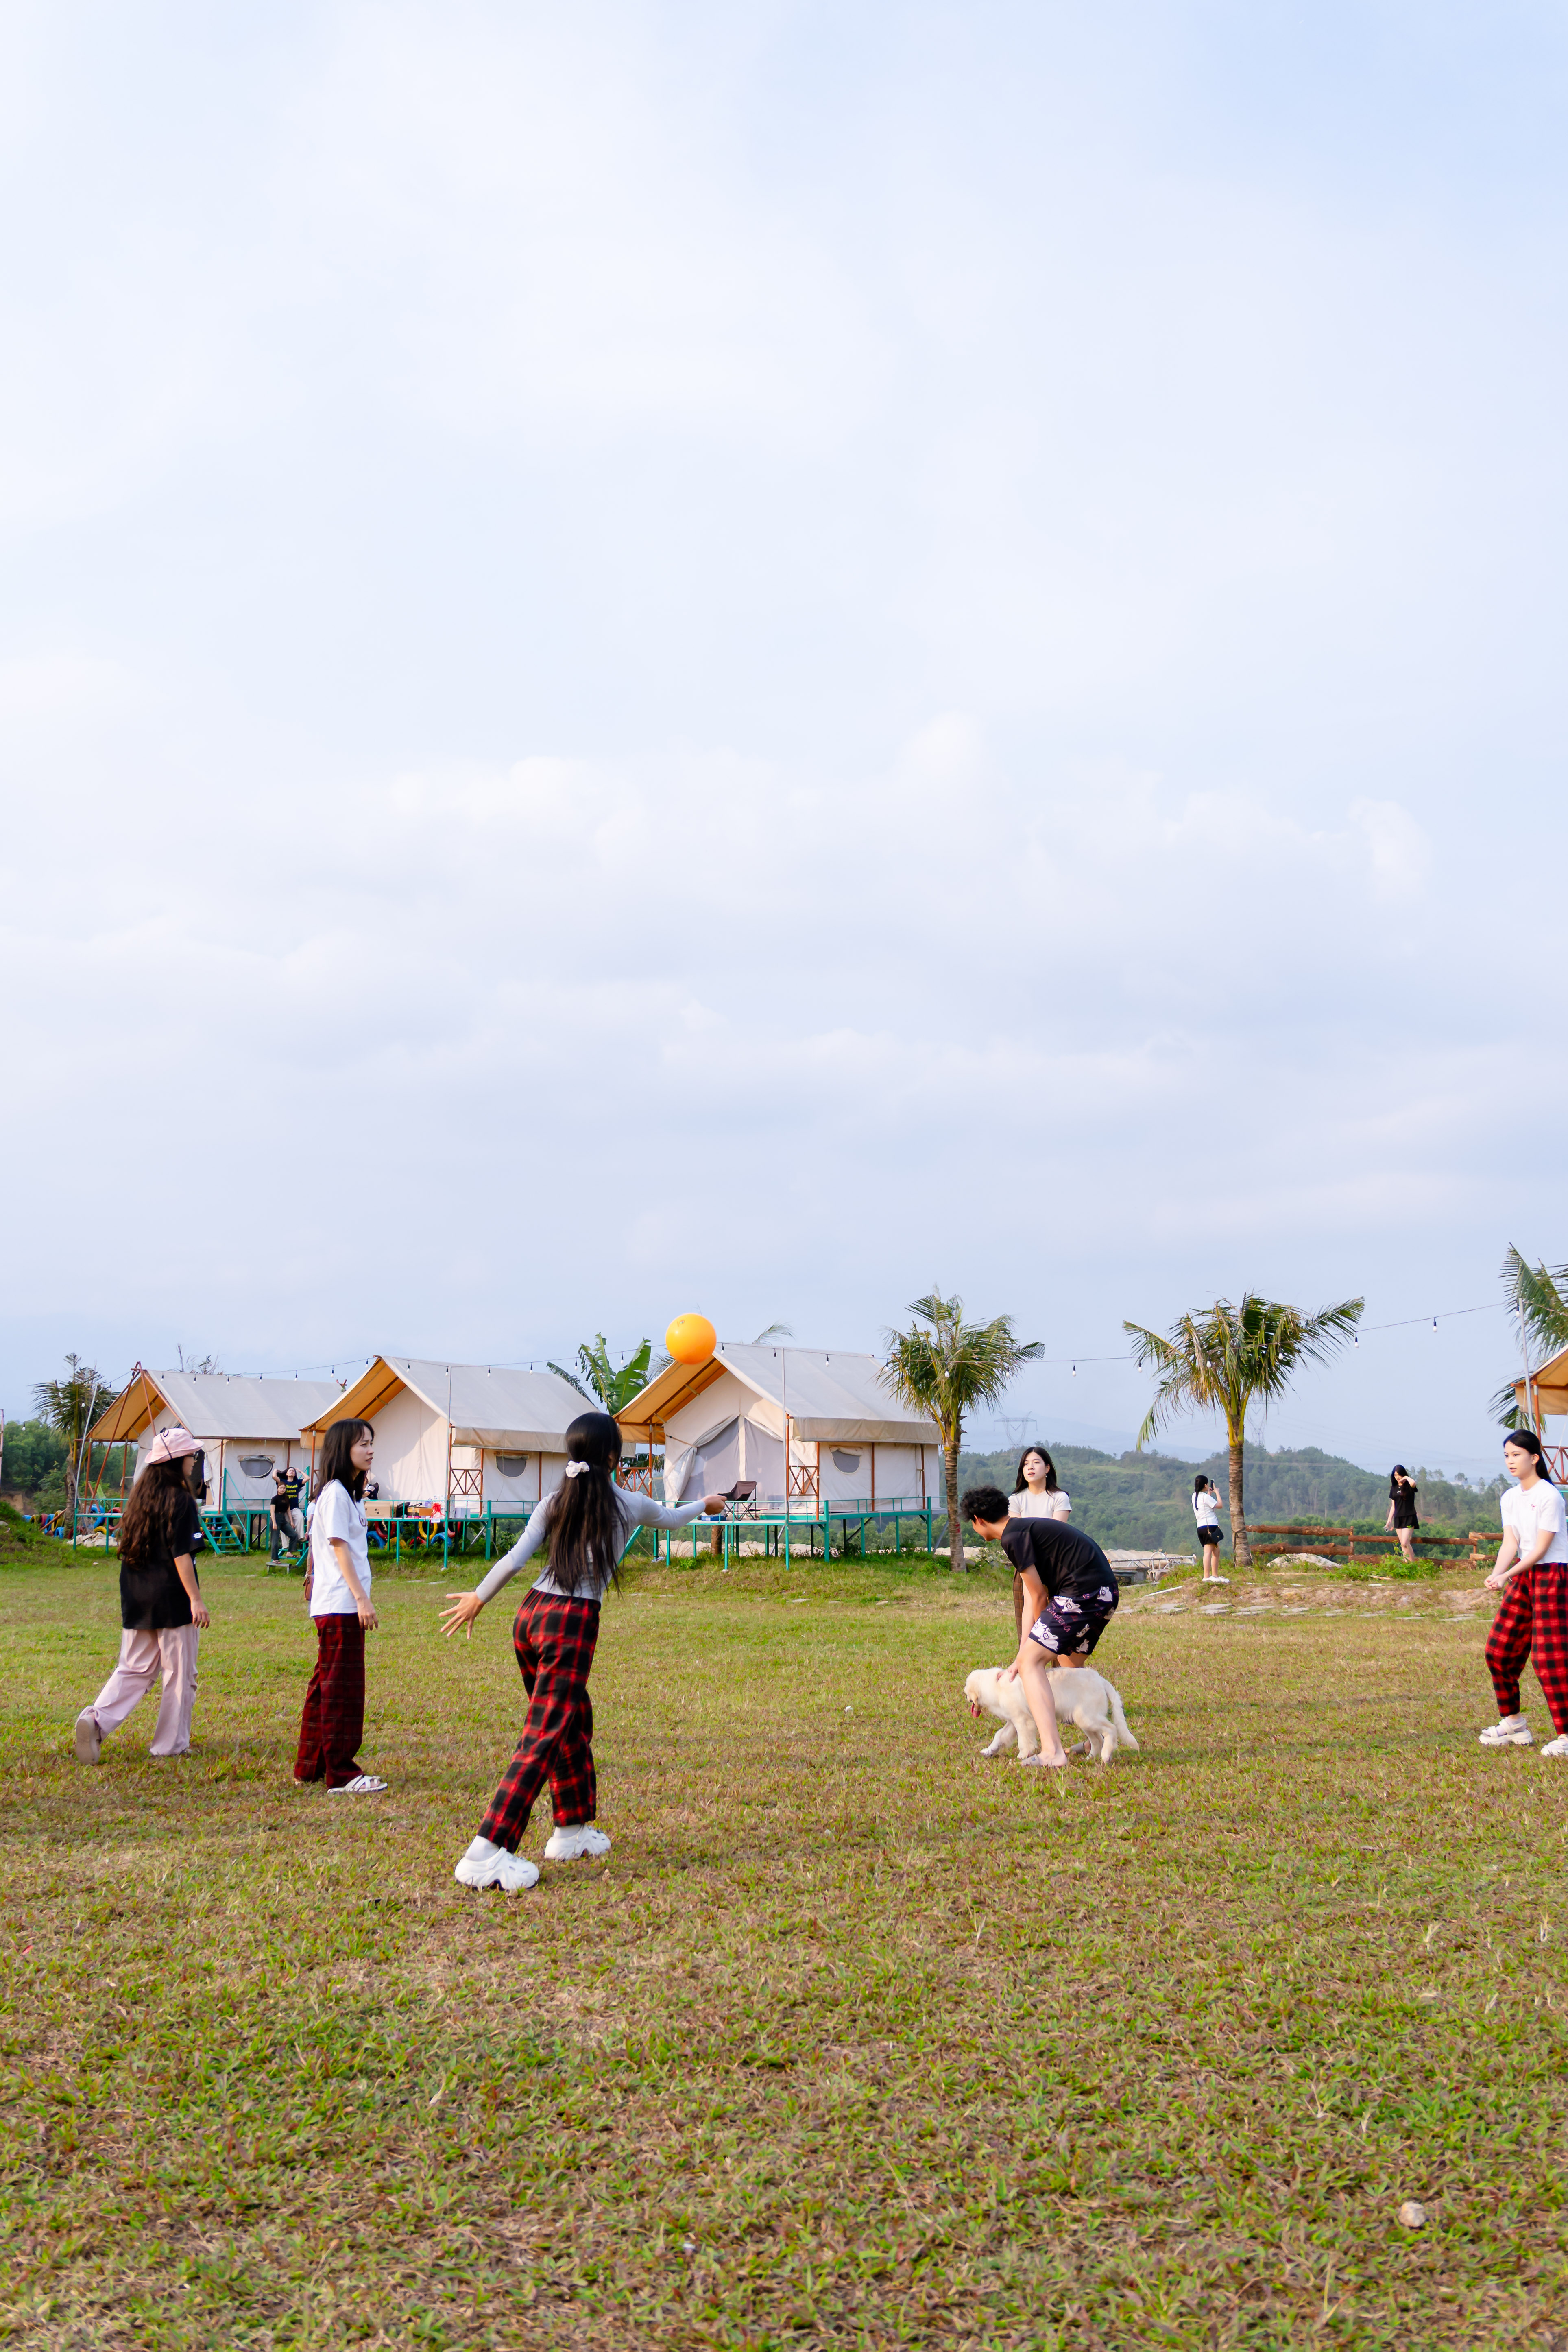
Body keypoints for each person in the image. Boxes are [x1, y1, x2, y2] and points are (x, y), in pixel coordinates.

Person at [439, 1410, 726, 1892]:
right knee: (545, 1734)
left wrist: (479, 1597)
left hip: (530, 1615)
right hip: (570, 1622)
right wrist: (707, 1503)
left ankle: (571, 1830)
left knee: (571, 1720)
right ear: (613, 1457)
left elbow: (515, 1559)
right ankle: (486, 1850)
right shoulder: (629, 1503)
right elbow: (674, 1519)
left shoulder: (555, 1500)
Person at [73, 1425, 211, 1765]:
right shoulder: (181, 1499)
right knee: (180, 1675)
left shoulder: (140, 1498)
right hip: (173, 1598)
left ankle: (96, 1721)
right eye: (191, 1455)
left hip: (137, 1594)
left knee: (133, 1669)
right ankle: (171, 1745)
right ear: (177, 1460)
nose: (194, 1460)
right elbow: (182, 1555)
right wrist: (196, 1599)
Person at [962, 1483, 1120, 1771]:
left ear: (978, 1520)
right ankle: (1093, 1740)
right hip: (1103, 1593)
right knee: (1068, 1665)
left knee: (1032, 1665)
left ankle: (1052, 1752)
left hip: (1082, 1593)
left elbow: (1038, 1598)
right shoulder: (1022, 1530)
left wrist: (1031, 1653)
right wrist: (1024, 1651)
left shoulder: (1012, 1537)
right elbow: (1029, 1596)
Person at [295, 1418, 386, 1794]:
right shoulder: (335, 1493)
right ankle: (343, 1774)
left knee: (325, 1686)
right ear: (343, 1449)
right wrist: (362, 1599)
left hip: (339, 1603)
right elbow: (338, 1547)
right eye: (362, 1444)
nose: (370, 1450)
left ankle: (310, 1765)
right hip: (341, 1604)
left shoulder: (350, 1495)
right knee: (342, 1692)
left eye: (371, 1443)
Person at [1480, 1430, 1568, 1754]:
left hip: (1552, 1575)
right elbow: (1512, 1542)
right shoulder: (1509, 1497)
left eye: (1516, 1455)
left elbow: (1541, 1549)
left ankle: (1566, 1736)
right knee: (1498, 1651)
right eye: (1506, 1456)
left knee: (1549, 1659)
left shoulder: (1549, 1496)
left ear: (1533, 1458)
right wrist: (1496, 1573)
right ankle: (1513, 1723)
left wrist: (1507, 1575)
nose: (1510, 1461)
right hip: (1523, 1574)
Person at [1192, 1474, 1228, 1584]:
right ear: (1205, 1485)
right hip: (1210, 1527)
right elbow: (1220, 1505)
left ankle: (1215, 1575)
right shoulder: (1205, 1497)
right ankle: (1207, 1576)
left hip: (1201, 1527)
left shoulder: (1195, 1496)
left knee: (1216, 1551)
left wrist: (1209, 1494)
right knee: (1208, 1552)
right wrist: (1217, 1492)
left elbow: (1205, 1504)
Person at [270, 1463, 305, 1564]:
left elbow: (289, 1510)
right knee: (275, 1541)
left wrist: (291, 1522)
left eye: (284, 1489)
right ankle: (275, 1559)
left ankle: (290, 1552)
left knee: (294, 1535)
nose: (282, 1490)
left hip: (284, 1520)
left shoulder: (286, 1498)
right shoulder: (275, 1499)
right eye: (281, 1488)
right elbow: (272, 1511)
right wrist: (274, 1522)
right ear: (278, 1489)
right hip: (277, 1518)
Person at [1385, 1466, 1420, 1565]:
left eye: (1399, 1475)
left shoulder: (1409, 1486)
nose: (1397, 1477)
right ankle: (1406, 1565)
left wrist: (1406, 1478)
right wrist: (1389, 1520)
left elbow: (1413, 1483)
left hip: (1409, 1517)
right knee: (1403, 1545)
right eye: (1395, 1475)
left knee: (1405, 1543)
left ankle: (1413, 1565)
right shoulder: (1394, 1488)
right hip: (1398, 1518)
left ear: (1403, 1474)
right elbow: (1393, 1506)